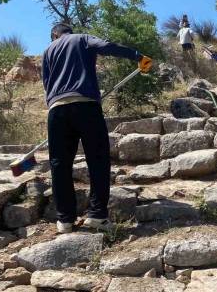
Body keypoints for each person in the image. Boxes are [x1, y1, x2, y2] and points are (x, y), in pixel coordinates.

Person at [42, 23, 153, 234]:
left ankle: (65, 220)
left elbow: (47, 83)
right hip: (86, 106)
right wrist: (138, 56)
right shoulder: (82, 39)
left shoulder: (48, 50)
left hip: (57, 110)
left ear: (54, 35)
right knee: (98, 160)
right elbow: (108, 46)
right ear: (67, 32)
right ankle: (97, 216)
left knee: (59, 164)